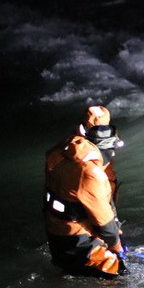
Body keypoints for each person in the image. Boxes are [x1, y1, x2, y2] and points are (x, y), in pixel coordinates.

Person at [43, 105, 127, 277]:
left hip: (57, 233)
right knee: (118, 278)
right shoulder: (91, 173)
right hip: (79, 241)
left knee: (67, 274)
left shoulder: (64, 149)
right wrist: (116, 245)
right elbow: (104, 222)